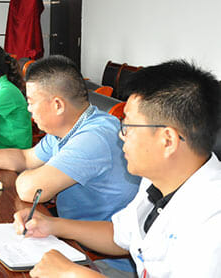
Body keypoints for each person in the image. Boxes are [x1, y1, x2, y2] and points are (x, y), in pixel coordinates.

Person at [14, 60, 221, 278]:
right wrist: (52, 225)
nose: (121, 136)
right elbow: (121, 235)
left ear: (167, 140)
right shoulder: (159, 180)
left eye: (128, 126)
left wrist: (74, 274)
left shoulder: (212, 217)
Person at [0, 55, 139, 273]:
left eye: (32, 102)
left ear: (58, 105)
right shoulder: (69, 127)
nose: (28, 109)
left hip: (101, 260)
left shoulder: (94, 136)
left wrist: (33, 176)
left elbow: (30, 189)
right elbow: (26, 159)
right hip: (70, 238)